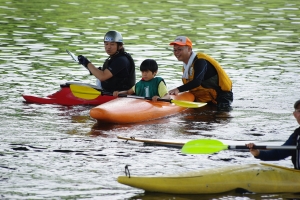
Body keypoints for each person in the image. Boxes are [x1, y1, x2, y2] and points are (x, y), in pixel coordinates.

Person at [168, 36, 233, 111]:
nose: (176, 53)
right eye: (175, 50)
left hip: (221, 98)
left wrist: (178, 89)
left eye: (179, 49)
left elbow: (197, 82)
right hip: (205, 99)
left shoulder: (200, 61)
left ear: (189, 49)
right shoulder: (187, 66)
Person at [246, 99, 300, 170]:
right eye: (299, 111)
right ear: (295, 115)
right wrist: (258, 153)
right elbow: (278, 153)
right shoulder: (296, 135)